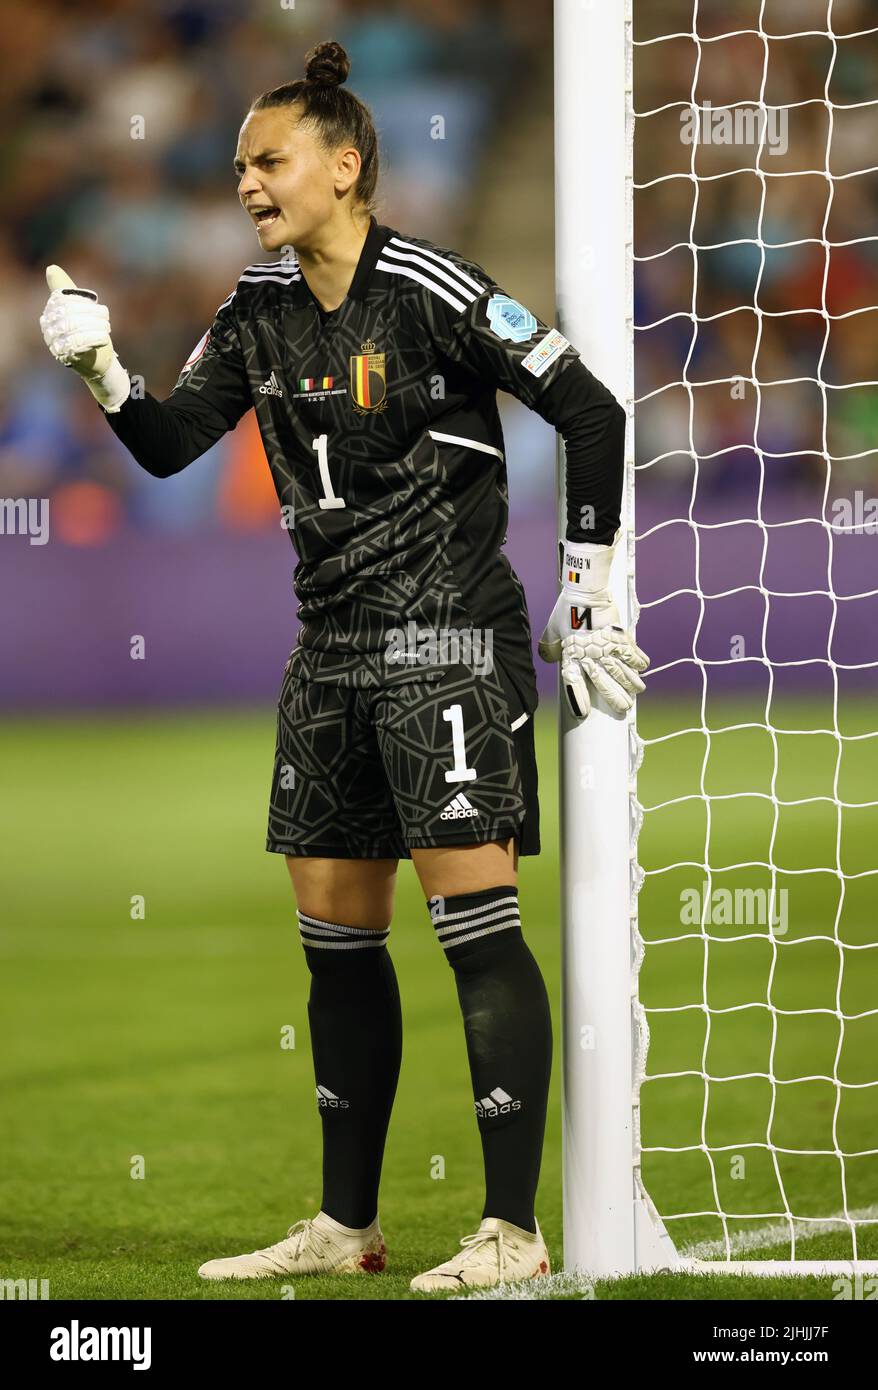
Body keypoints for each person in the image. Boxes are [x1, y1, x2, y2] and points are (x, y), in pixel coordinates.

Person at [39, 38, 648, 1294]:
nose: (249, 183)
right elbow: (164, 448)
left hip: (445, 639)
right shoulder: (255, 310)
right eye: (241, 166)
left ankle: (512, 1235)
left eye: (270, 161)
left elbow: (588, 409)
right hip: (327, 653)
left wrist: (586, 588)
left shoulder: (430, 285)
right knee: (334, 946)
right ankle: (346, 1224)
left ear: (345, 163)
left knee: (473, 930)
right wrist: (103, 370)